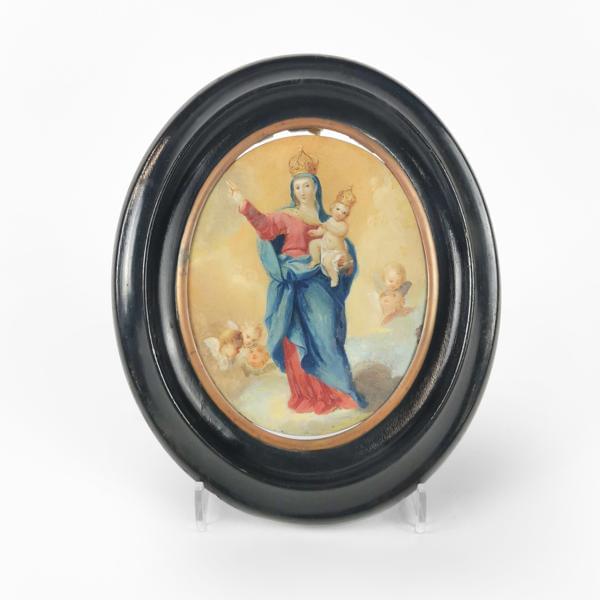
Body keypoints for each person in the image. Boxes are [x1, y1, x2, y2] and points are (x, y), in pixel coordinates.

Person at [225, 148, 367, 414]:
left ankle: (335, 392)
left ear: (316, 187)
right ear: (293, 190)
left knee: (325, 335)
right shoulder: (286, 216)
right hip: (292, 280)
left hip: (319, 284)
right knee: (294, 338)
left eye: (307, 185)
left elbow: (344, 254)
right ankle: (309, 395)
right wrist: (244, 205)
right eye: (298, 186)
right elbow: (265, 227)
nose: (302, 191)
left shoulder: (328, 222)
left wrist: (346, 264)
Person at [307, 186, 356, 287]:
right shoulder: (329, 220)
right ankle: (315, 260)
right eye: (338, 209)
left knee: (327, 261)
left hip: (336, 252)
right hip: (325, 246)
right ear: (332, 208)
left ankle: (334, 277)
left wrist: (328, 226)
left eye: (344, 213)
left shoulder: (343, 226)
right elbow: (322, 230)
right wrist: (316, 232)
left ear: (346, 216)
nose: (339, 213)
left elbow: (338, 232)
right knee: (313, 244)